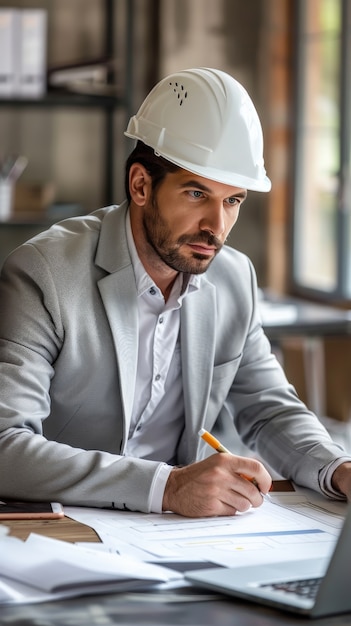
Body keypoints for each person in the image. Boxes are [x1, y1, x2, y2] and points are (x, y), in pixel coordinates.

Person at [0, 68, 350, 518]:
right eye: (196, 193)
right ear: (141, 185)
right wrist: (166, 485)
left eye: (232, 201)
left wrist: (338, 467)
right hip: (62, 526)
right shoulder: (43, 273)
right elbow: (6, 445)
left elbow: (270, 411)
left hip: (172, 536)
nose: (216, 227)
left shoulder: (233, 279)